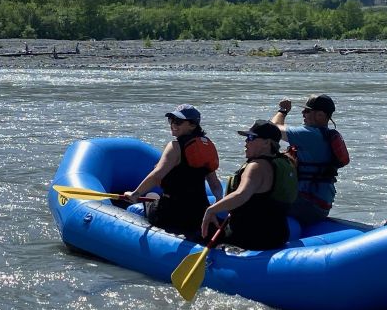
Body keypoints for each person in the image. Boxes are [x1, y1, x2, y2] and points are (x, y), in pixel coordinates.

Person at [200, 120, 298, 250]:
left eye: (251, 137)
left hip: (250, 237)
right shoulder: (286, 162)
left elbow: (241, 194)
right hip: (278, 234)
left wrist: (211, 210)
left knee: (198, 233)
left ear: (267, 142)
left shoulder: (256, 167)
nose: (246, 142)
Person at [125, 104, 223, 233]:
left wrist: (135, 194)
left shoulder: (175, 146)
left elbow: (157, 176)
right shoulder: (205, 146)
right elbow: (214, 183)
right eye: (171, 120)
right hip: (199, 212)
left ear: (193, 125)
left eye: (178, 122)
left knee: (135, 207)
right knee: (153, 196)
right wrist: (218, 202)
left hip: (172, 213)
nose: (173, 125)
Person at [269, 94, 350, 225]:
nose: (303, 113)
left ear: (321, 115)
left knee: (256, 201)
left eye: (307, 110)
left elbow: (272, 128)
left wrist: (283, 110)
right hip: (319, 204)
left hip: (307, 205)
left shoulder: (310, 134)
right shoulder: (325, 134)